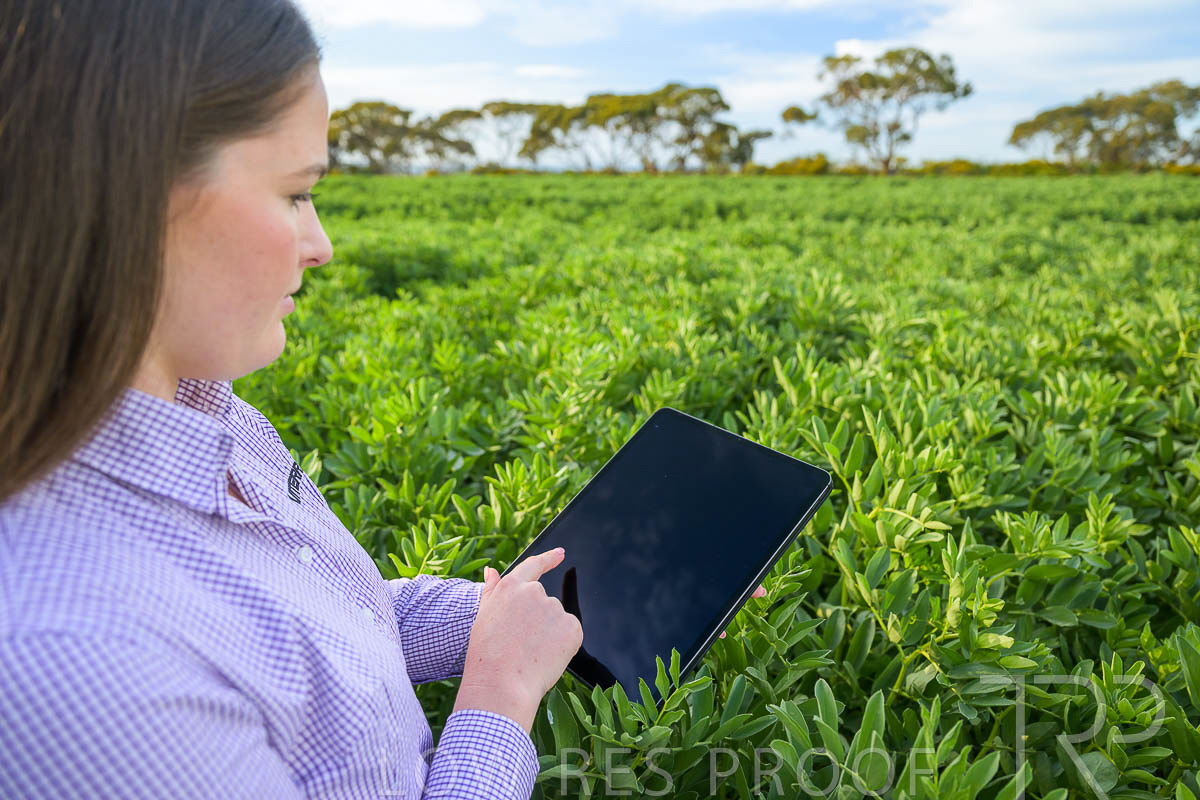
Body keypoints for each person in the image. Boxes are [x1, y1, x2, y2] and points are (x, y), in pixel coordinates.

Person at [0, 1, 765, 797]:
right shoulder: (67, 662)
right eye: (296, 192)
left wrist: (531, 613)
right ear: (126, 201)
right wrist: (500, 696)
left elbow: (318, 634)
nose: (321, 245)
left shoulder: (211, 411)